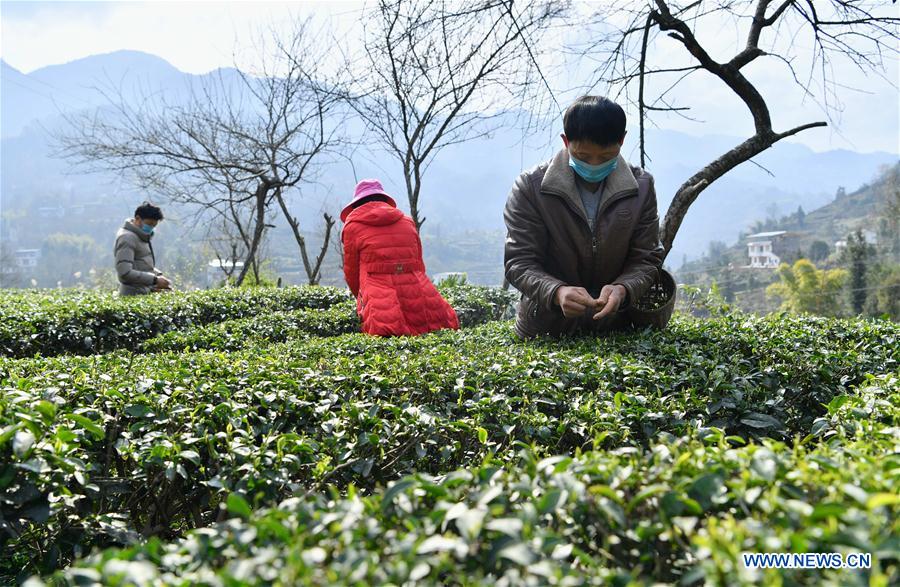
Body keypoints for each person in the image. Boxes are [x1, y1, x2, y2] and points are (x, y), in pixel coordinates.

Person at [503, 95, 665, 338]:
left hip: (616, 328)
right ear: (566, 141)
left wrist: (623, 288)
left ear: (622, 141)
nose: (594, 164)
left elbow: (647, 257)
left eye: (606, 157)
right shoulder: (532, 188)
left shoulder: (640, 187)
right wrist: (556, 292)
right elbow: (519, 262)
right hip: (546, 330)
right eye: (583, 156)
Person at [341, 179, 459, 336]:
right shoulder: (407, 222)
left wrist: (361, 299)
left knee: (387, 339)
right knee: (432, 334)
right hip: (416, 289)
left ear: (357, 203)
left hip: (377, 294)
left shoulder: (352, 228)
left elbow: (351, 272)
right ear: (384, 199)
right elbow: (419, 264)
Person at [114, 201, 171, 296]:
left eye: (153, 226)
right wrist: (155, 280)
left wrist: (158, 275)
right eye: (149, 224)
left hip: (142, 293)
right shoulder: (127, 238)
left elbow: (141, 264)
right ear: (137, 219)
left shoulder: (141, 236)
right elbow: (125, 273)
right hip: (131, 296)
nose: (150, 228)